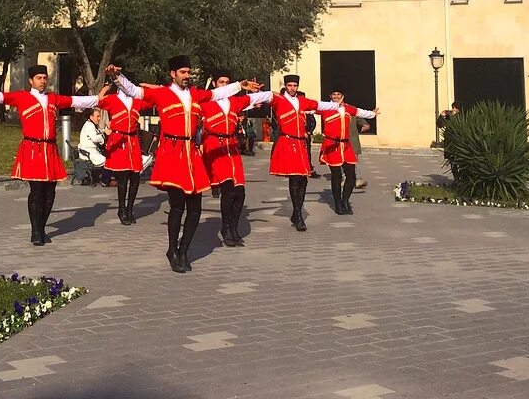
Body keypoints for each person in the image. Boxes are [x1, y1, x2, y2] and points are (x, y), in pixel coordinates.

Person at [109, 58, 259, 273]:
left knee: (195, 209)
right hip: (171, 153)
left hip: (191, 153)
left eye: (188, 72)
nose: (187, 75)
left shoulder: (196, 94)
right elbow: (134, 91)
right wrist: (116, 77)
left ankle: (183, 249)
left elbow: (217, 94)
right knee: (177, 206)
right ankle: (173, 250)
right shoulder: (161, 94)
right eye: (183, 71)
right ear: (173, 74)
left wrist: (239, 86)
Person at [0, 64, 101, 246]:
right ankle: (35, 231)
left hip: (50, 150)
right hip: (33, 149)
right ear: (31, 81)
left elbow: (74, 101)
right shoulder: (23, 97)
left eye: (44, 78)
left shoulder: (53, 98)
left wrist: (97, 99)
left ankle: (41, 227)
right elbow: (2, 97)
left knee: (50, 192)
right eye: (39, 78)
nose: (43, 81)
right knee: (36, 190)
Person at [200, 69, 271, 247]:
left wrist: (274, 95)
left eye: (227, 82)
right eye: (221, 82)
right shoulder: (205, 102)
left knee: (240, 192)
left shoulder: (235, 102)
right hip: (215, 146)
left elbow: (255, 99)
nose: (224, 85)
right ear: (215, 84)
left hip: (232, 148)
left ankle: (232, 227)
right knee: (228, 189)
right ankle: (226, 228)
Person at [269, 76, 350, 232]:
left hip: (301, 144)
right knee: (294, 178)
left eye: (295, 85)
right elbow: (264, 99)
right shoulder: (279, 100)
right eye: (289, 85)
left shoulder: (302, 101)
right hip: (287, 142)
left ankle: (296, 211)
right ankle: (298, 215)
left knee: (304, 180)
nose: (292, 88)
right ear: (285, 86)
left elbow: (318, 105)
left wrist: (337, 105)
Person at [98, 80, 155, 225]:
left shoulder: (137, 100)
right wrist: (105, 89)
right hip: (119, 140)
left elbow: (153, 100)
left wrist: (147, 86)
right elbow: (98, 101)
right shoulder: (113, 99)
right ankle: (121, 209)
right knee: (122, 179)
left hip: (133, 141)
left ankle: (130, 209)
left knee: (135, 178)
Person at [318, 88, 379, 215]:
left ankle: (345, 200)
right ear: (330, 95)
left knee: (351, 176)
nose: (335, 96)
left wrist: (372, 114)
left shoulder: (348, 108)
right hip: (332, 145)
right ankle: (338, 203)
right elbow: (309, 107)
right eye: (333, 94)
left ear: (343, 95)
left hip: (346, 146)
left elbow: (360, 112)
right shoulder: (325, 107)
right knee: (337, 176)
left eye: (338, 94)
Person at [77, 108, 107, 188]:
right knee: (107, 161)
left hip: (91, 150)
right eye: (97, 116)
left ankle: (105, 179)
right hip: (88, 151)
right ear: (91, 117)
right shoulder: (89, 125)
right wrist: (102, 137)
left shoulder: (91, 125)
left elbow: (97, 132)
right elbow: (95, 138)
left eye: (99, 116)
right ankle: (105, 180)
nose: (99, 118)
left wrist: (104, 131)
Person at [348, 116, 370, 190]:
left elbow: (358, 117)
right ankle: (346, 178)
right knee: (342, 159)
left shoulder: (351, 110)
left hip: (351, 138)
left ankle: (358, 179)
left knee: (354, 159)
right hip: (340, 139)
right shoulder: (333, 110)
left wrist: (365, 124)